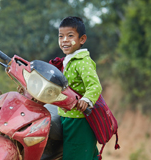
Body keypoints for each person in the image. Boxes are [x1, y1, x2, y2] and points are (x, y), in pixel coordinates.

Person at [49, 16, 102, 160]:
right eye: (61, 36)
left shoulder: (82, 62)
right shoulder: (68, 61)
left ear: (82, 39)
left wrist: (86, 100)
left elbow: (95, 86)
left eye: (70, 36)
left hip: (80, 120)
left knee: (76, 156)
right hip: (68, 117)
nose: (64, 40)